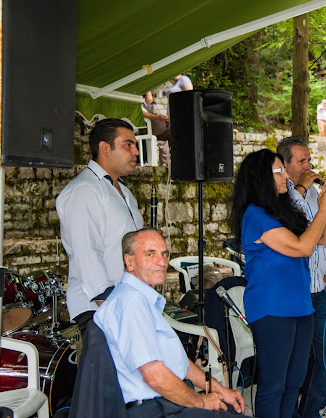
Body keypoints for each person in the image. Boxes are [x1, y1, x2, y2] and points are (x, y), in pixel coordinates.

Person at [229, 149, 326, 418]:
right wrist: (324, 208)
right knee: (274, 386)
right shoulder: (255, 215)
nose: (285, 176)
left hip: (300, 305)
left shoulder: (281, 210)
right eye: (279, 170)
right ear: (261, 177)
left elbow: (324, 238)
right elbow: (303, 247)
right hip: (272, 308)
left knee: (294, 383)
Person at [94, 229, 243, 417]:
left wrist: (220, 390)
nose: (162, 262)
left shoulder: (141, 300)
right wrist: (201, 401)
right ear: (129, 261)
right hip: (153, 409)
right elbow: (154, 377)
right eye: (151, 254)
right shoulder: (129, 303)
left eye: (164, 254)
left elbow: (180, 364)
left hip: (166, 402)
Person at [56, 118, 144, 338]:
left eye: (135, 145)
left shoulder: (123, 191)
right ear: (104, 148)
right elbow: (87, 253)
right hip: (100, 308)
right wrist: (111, 308)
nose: (136, 151)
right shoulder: (85, 190)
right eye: (128, 145)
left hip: (125, 301)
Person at [276, 137, 326, 417]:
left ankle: (311, 411)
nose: (307, 166)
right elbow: (294, 234)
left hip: (316, 289)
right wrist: (301, 189)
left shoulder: (312, 191)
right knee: (292, 361)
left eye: (309, 160)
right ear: (284, 164)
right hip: (291, 293)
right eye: (301, 161)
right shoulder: (278, 194)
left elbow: (325, 238)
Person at [141, 91, 171, 166]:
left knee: (172, 134)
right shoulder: (134, 102)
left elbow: (149, 100)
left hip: (151, 128)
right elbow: (149, 99)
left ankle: (168, 162)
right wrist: (157, 117)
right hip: (145, 128)